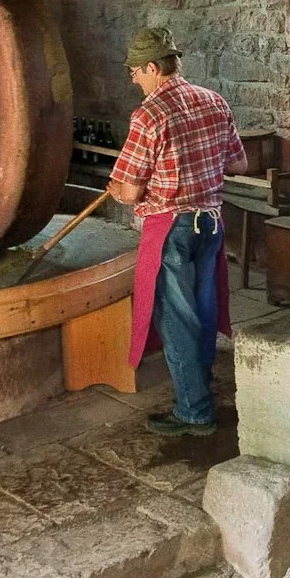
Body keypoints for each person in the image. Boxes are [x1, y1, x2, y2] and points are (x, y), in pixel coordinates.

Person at [107, 26, 246, 436]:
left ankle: (194, 410)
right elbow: (237, 164)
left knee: (177, 317)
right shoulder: (213, 101)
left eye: (134, 71)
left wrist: (118, 189)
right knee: (202, 308)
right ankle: (199, 385)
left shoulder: (148, 114)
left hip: (172, 228)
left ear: (153, 67)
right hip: (211, 222)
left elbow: (130, 191)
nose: (133, 79)